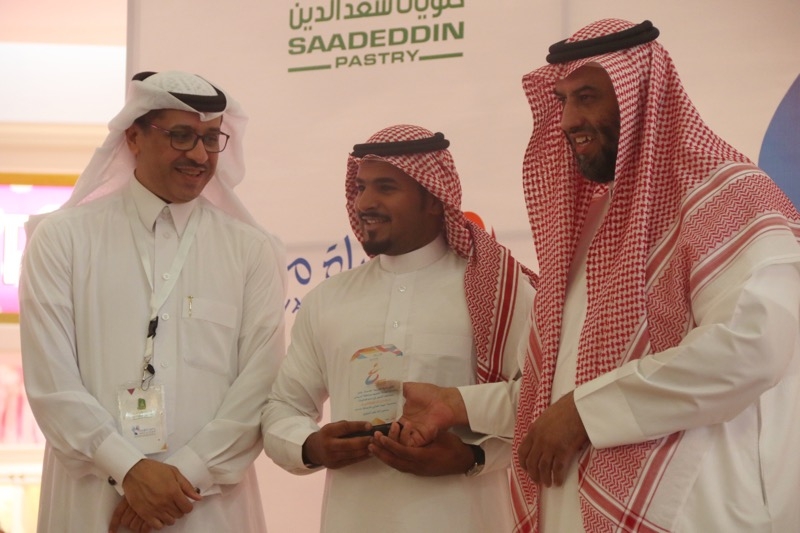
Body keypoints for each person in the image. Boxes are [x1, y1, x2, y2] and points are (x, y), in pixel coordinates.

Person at [397, 19, 800, 532]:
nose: (568, 120)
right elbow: (562, 389)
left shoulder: (728, 198)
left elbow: (750, 350)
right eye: (562, 100)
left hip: (698, 510)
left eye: (586, 97)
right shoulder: (588, 225)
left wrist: (585, 413)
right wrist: (457, 404)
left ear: (642, 97)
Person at [19, 70, 286, 532]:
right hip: (93, 502)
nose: (199, 155)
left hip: (207, 507)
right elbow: (52, 382)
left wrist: (182, 478)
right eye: (181, 136)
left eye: (210, 139)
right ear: (133, 138)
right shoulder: (63, 239)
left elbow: (260, 387)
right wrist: (128, 469)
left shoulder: (250, 250)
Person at [261, 124, 534, 532]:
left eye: (386, 188)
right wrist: (311, 445)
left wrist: (473, 456)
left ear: (434, 199)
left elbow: (540, 402)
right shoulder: (328, 300)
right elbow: (283, 406)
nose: (364, 203)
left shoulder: (498, 292)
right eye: (360, 188)